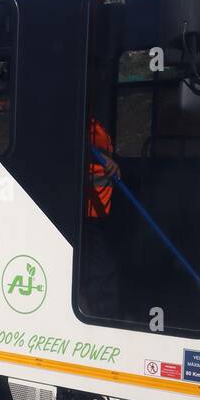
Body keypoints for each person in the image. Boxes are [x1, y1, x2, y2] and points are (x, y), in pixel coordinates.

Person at [80, 116, 121, 318]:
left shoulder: (93, 122)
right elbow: (72, 145)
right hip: (88, 210)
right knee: (102, 268)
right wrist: (103, 159)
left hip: (102, 209)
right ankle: (101, 314)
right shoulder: (78, 119)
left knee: (103, 264)